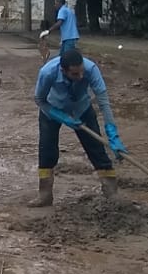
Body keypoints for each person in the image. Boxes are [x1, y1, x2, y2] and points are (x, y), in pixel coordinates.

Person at [30, 48, 127, 206]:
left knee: (96, 149)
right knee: (47, 151)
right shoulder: (48, 73)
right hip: (52, 109)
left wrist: (113, 134)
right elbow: (39, 100)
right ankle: (45, 195)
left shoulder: (91, 70)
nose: (81, 76)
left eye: (82, 72)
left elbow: (103, 101)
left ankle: (112, 193)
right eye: (75, 74)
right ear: (63, 70)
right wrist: (60, 116)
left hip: (81, 108)